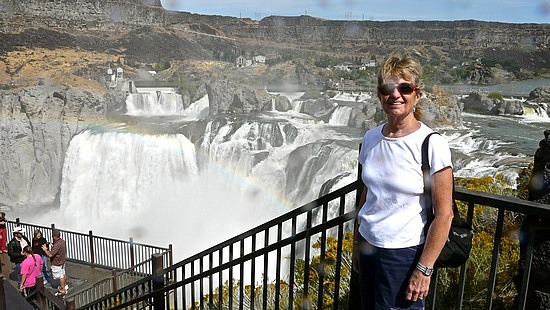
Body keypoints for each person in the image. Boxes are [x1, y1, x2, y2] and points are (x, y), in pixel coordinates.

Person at [352, 54, 454, 309]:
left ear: (417, 95)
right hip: (368, 245)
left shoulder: (431, 144)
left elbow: (444, 215)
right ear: (379, 95)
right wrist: (356, 243)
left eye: (405, 88)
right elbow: (367, 195)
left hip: (403, 255)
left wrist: (424, 268)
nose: (395, 95)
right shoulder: (371, 138)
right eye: (387, 88)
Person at [42, 229, 68, 296]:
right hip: (62, 261)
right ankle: (65, 285)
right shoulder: (62, 241)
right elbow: (58, 249)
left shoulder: (57, 245)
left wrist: (45, 250)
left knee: (60, 276)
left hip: (57, 263)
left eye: (52, 236)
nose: (52, 237)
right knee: (63, 273)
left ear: (55, 236)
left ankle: (62, 290)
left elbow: (50, 254)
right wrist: (52, 244)